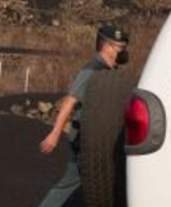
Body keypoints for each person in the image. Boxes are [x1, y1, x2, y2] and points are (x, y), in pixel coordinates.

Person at [35, 24, 130, 207]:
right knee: (95, 183)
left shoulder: (110, 71)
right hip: (86, 138)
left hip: (101, 138)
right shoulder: (92, 70)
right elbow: (70, 101)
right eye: (120, 47)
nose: (123, 51)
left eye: (124, 47)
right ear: (106, 45)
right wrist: (55, 133)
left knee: (79, 183)